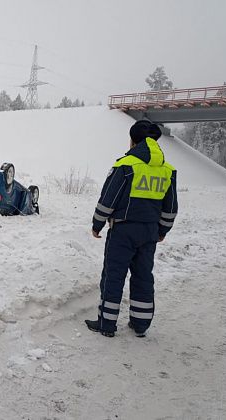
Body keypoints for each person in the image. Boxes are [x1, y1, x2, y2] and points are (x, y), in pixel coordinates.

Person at [85, 120, 178, 337]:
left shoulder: (126, 165)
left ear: (133, 140)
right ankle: (140, 324)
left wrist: (97, 224)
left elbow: (108, 200)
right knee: (143, 276)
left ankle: (106, 324)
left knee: (114, 275)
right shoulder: (168, 170)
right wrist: (163, 230)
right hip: (149, 233)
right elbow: (171, 207)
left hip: (123, 231)